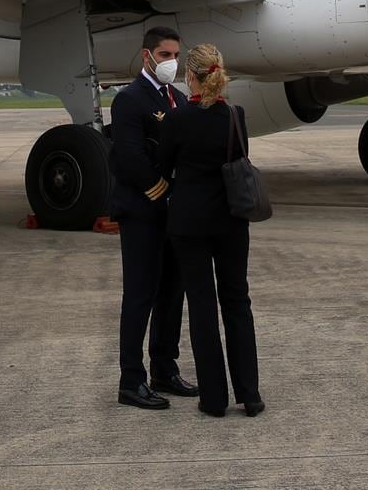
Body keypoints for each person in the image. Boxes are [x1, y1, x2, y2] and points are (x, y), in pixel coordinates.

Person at [157, 44, 263, 418]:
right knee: (237, 302)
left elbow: (164, 165)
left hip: (189, 223)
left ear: (190, 76)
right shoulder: (235, 115)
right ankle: (249, 395)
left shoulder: (176, 120)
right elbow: (239, 159)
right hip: (231, 221)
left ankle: (214, 399)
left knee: (202, 307)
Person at [108, 25, 196, 409]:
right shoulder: (129, 99)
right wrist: (163, 191)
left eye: (175, 55)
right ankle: (131, 380)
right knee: (140, 294)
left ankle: (164, 368)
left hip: (172, 214)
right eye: (164, 55)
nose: (171, 63)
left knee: (171, 293)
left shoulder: (176, 98)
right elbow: (129, 158)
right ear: (147, 56)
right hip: (143, 211)